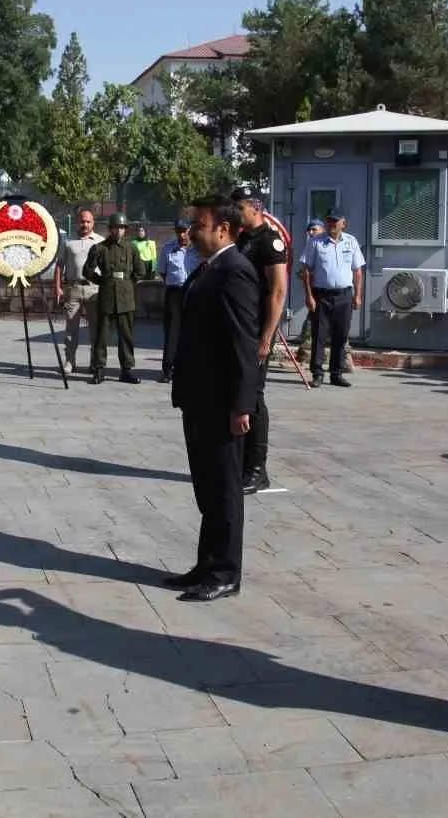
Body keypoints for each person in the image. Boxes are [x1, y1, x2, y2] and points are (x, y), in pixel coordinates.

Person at [164, 194, 260, 603]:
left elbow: (242, 342)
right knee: (207, 488)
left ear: (222, 228)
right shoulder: (208, 268)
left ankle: (225, 572)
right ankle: (206, 564)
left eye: (198, 225)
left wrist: (242, 404)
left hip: (222, 402)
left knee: (224, 490)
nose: (191, 232)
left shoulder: (235, 271)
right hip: (200, 398)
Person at [230, 187, 289, 494]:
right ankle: (239, 463)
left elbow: (278, 292)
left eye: (239, 206)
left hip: (256, 330)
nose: (236, 212)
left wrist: (266, 337)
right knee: (237, 392)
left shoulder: (270, 241)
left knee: (253, 396)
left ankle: (257, 468)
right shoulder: (243, 239)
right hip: (239, 327)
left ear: (255, 208)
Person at [298, 210, 365, 387]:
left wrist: (358, 296)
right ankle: (317, 374)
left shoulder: (351, 242)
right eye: (329, 221)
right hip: (322, 296)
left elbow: (357, 271)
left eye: (335, 221)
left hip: (344, 295)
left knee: (340, 336)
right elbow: (305, 270)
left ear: (344, 223)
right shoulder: (315, 242)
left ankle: (336, 373)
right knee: (319, 336)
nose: (332, 224)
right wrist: (309, 296)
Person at [82, 212, 150, 383]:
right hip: (106, 297)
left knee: (126, 336)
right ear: (110, 229)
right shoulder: (100, 248)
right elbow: (87, 270)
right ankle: (99, 369)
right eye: (115, 227)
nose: (118, 231)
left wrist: (127, 282)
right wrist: (102, 280)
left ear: (125, 230)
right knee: (102, 336)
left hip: (126, 299)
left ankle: (126, 369)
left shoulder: (131, 248)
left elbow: (141, 271)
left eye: (121, 228)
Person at [53, 209, 102, 373]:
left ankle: (95, 362)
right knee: (71, 329)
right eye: (82, 221)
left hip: (94, 290)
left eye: (88, 221)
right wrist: (58, 287)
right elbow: (59, 265)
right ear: (77, 222)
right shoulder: (68, 242)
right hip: (73, 288)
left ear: (93, 223)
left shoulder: (100, 242)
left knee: (95, 329)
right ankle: (69, 361)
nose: (85, 224)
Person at [156, 220, 199, 383]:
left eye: (184, 231)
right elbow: (163, 272)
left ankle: (191, 368)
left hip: (194, 293)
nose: (182, 235)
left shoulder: (198, 249)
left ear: (190, 230)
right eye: (178, 232)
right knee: (172, 333)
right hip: (175, 293)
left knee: (193, 332)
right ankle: (168, 369)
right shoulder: (168, 249)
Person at [294, 218, 325, 367]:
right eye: (309, 230)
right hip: (315, 293)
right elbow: (305, 269)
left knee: (315, 325)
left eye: (315, 229)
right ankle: (304, 356)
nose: (311, 233)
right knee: (311, 324)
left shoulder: (326, 245)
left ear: (322, 230)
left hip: (328, 292)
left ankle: (345, 359)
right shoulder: (311, 246)